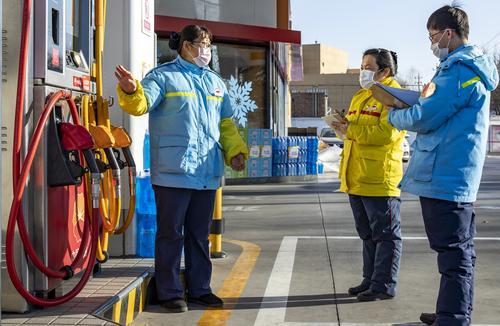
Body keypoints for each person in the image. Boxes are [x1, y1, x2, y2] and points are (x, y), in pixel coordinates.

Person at [114, 25, 248, 313]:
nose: (206, 50)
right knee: (170, 234)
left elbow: (226, 124)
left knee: (200, 236)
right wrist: (131, 90)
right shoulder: (162, 77)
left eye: (209, 45)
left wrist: (235, 151)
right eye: (202, 44)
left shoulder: (215, 83)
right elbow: (142, 103)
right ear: (186, 45)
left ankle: (200, 289)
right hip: (174, 171)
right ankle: (170, 292)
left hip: (206, 172)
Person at [386, 6, 499, 326]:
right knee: (457, 251)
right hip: (452, 173)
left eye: (433, 36)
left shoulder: (458, 71)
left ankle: (454, 317)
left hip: (446, 173)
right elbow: (433, 105)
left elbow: (425, 115)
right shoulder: (467, 69)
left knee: (453, 253)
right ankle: (452, 310)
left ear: (448, 33)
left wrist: (394, 114)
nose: (432, 42)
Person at [334, 48, 405, 302]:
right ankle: (370, 279)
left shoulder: (394, 96)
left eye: (368, 66)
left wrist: (350, 130)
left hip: (379, 178)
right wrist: (341, 127)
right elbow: (354, 132)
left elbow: (386, 134)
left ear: (384, 71)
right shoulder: (361, 96)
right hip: (356, 177)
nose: (362, 71)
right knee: (367, 234)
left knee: (385, 235)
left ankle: (384, 284)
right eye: (362, 65)